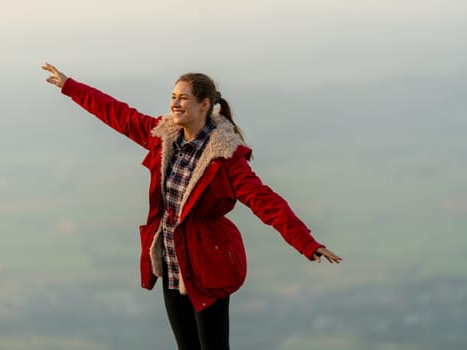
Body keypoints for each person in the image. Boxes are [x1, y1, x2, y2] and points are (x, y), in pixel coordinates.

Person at [41, 63, 342, 350]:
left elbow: (266, 202)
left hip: (208, 263)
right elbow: (119, 114)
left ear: (205, 104)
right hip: (172, 263)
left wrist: (307, 243)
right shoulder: (163, 138)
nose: (175, 103)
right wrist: (70, 86)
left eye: (183, 98)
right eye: (173, 97)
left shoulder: (225, 157)